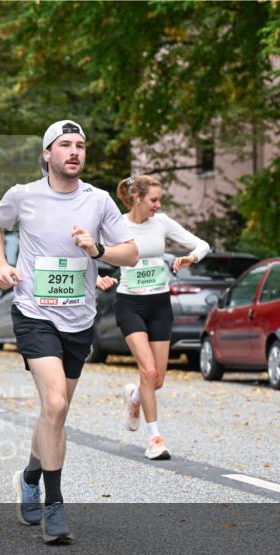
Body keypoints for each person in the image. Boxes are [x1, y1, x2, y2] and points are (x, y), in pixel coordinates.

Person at [0, 120, 138, 543]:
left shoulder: (99, 201)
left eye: (81, 145)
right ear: (47, 154)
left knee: (56, 412)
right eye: (65, 145)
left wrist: (98, 250)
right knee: (53, 402)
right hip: (34, 313)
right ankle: (54, 504)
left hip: (80, 319)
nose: (75, 151)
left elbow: (131, 253)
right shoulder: (24, 196)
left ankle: (30, 477)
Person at [109, 174, 210, 461]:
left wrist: (191, 258)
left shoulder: (162, 223)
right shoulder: (117, 224)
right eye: (154, 199)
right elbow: (96, 254)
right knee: (148, 372)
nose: (158, 204)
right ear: (137, 198)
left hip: (160, 304)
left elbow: (202, 245)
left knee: (158, 380)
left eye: (159, 200)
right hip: (130, 304)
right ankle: (155, 439)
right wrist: (100, 277)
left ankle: (135, 398)